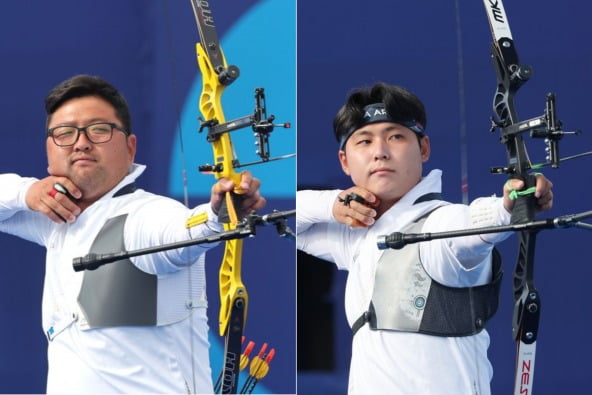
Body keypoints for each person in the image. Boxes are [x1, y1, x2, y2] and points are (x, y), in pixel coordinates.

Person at [0, 74, 265, 394]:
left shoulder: (146, 215)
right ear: (48, 151)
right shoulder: (57, 219)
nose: (81, 142)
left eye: (99, 129)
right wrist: (25, 191)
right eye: (65, 133)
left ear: (130, 148)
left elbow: (181, 232)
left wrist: (217, 215)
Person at [296, 82, 553, 394]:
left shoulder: (441, 222)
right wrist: (331, 203)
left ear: (424, 148)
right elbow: (292, 224)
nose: (380, 152)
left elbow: (471, 226)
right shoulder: (358, 236)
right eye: (364, 141)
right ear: (345, 162)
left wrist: (508, 206)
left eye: (396, 137)